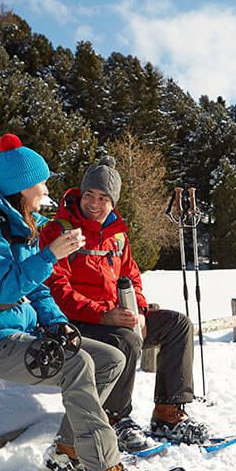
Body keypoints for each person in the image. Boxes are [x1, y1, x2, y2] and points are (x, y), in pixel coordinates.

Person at [0, 134, 154, 471]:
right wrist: (49, 255)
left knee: (111, 358)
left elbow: (37, 290)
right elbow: (2, 289)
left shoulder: (23, 223)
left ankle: (67, 454)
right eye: (41, 182)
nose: (47, 188)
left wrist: (58, 322)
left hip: (21, 331)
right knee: (77, 363)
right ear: (21, 186)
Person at [39, 155, 211, 451]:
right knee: (126, 339)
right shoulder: (60, 231)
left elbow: (132, 277)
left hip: (116, 317)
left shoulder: (117, 236)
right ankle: (115, 418)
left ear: (113, 202)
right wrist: (105, 315)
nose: (94, 203)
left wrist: (140, 312)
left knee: (177, 324)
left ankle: (168, 414)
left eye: (104, 197)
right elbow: (56, 291)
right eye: (89, 195)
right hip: (76, 324)